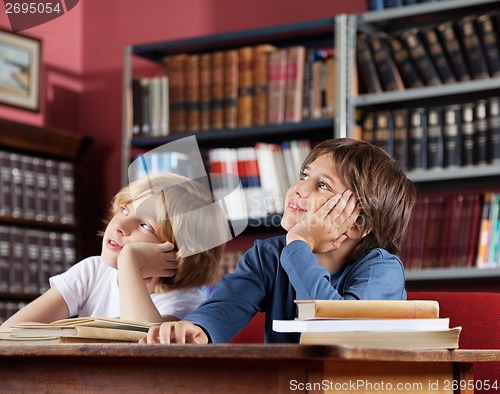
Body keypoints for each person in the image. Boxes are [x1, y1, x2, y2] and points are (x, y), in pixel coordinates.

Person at [142, 138, 417, 344]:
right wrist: (198, 329)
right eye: (305, 176)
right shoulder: (268, 256)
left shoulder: (382, 270)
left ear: (359, 224)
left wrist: (299, 244)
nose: (298, 188)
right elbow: (226, 306)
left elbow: (337, 330)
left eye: (322, 185)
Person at [0, 172, 227, 331]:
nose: (119, 225)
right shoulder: (93, 271)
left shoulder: (183, 304)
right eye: (124, 210)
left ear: (179, 253)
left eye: (145, 225)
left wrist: (130, 263)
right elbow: (8, 332)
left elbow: (142, 352)